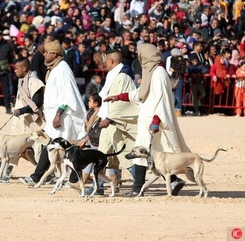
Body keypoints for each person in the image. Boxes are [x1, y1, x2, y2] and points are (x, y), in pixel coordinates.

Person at [104, 43, 189, 196]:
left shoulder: (159, 73)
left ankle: (137, 189)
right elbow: (140, 94)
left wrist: (155, 122)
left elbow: (161, 101)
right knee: (150, 156)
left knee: (142, 154)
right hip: (147, 121)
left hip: (154, 123)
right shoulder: (152, 72)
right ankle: (174, 180)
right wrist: (118, 97)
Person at [20, 40, 87, 186]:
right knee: (62, 145)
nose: (44, 55)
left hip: (63, 115)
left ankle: (38, 177)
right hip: (55, 114)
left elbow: (67, 96)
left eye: (46, 52)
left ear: (54, 54)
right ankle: (73, 178)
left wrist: (58, 115)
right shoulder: (55, 68)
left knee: (55, 145)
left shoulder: (62, 70)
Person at [96, 50, 138, 194]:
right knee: (101, 154)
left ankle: (139, 184)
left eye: (106, 60)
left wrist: (110, 118)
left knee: (124, 154)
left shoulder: (123, 77)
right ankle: (99, 186)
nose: (105, 63)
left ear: (111, 61)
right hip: (108, 121)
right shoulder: (113, 75)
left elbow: (123, 102)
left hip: (115, 122)